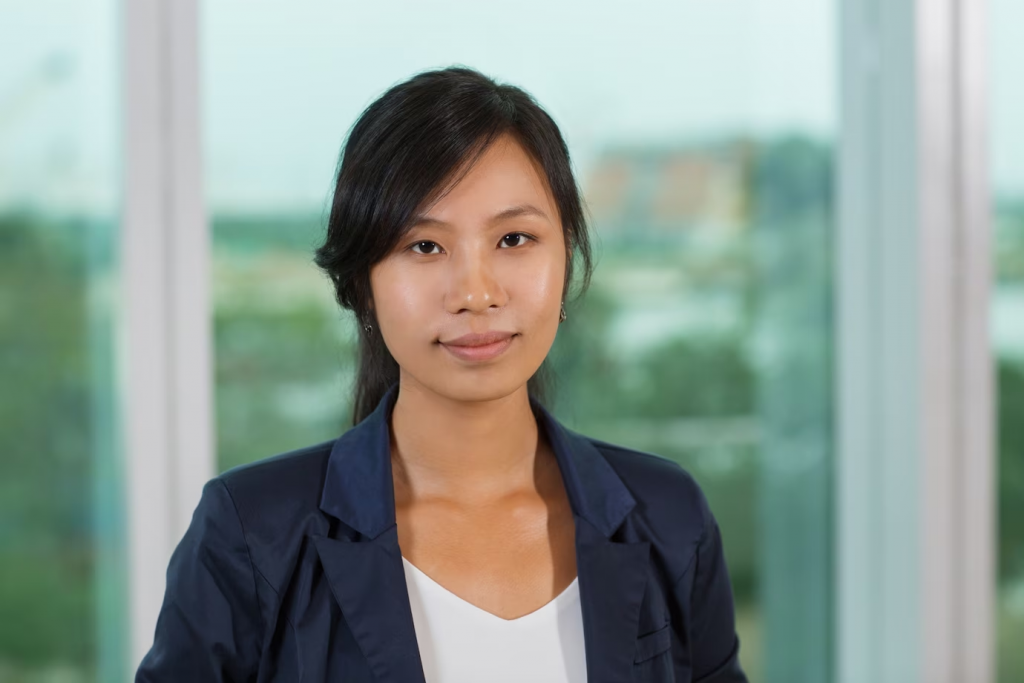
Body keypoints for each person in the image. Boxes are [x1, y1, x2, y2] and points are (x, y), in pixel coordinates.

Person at [135, 66, 748, 683]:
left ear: (567, 258)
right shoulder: (251, 534)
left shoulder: (669, 518)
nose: (475, 293)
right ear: (361, 284)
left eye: (514, 238)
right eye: (424, 247)